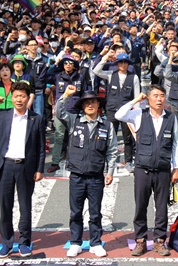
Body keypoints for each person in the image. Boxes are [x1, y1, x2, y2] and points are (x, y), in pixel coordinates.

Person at [0, 82, 46, 258]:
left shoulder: (36, 119)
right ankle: (6, 242)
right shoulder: (2, 115)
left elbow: (41, 147)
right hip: (4, 166)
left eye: (22, 96)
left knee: (25, 206)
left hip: (25, 167)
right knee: (5, 206)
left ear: (28, 98)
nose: (19, 99)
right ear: (11, 98)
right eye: (16, 96)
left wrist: (39, 169)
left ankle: (24, 242)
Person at [115, 87, 178, 257]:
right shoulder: (139, 115)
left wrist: (177, 168)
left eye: (162, 96)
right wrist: (136, 100)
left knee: (161, 208)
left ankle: (159, 241)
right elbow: (119, 115)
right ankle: (140, 240)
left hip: (163, 170)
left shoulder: (171, 118)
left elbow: (176, 144)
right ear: (148, 99)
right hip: (142, 169)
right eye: (155, 96)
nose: (159, 99)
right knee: (140, 206)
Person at [56, 87, 117, 258]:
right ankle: (75, 242)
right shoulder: (74, 121)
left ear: (99, 104)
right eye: (86, 102)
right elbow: (59, 111)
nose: (90, 104)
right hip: (76, 176)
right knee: (75, 212)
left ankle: (95, 243)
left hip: (96, 176)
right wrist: (66, 95)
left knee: (95, 212)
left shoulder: (107, 125)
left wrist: (110, 171)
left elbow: (112, 151)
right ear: (82, 106)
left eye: (93, 101)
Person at [93, 51, 140, 173]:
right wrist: (105, 58)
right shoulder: (110, 74)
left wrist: (136, 113)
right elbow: (95, 71)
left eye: (125, 62)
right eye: (120, 62)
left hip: (126, 112)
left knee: (127, 138)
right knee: (107, 136)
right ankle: (107, 161)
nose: (123, 65)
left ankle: (128, 161)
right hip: (112, 109)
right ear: (117, 63)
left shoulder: (133, 77)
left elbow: (137, 97)